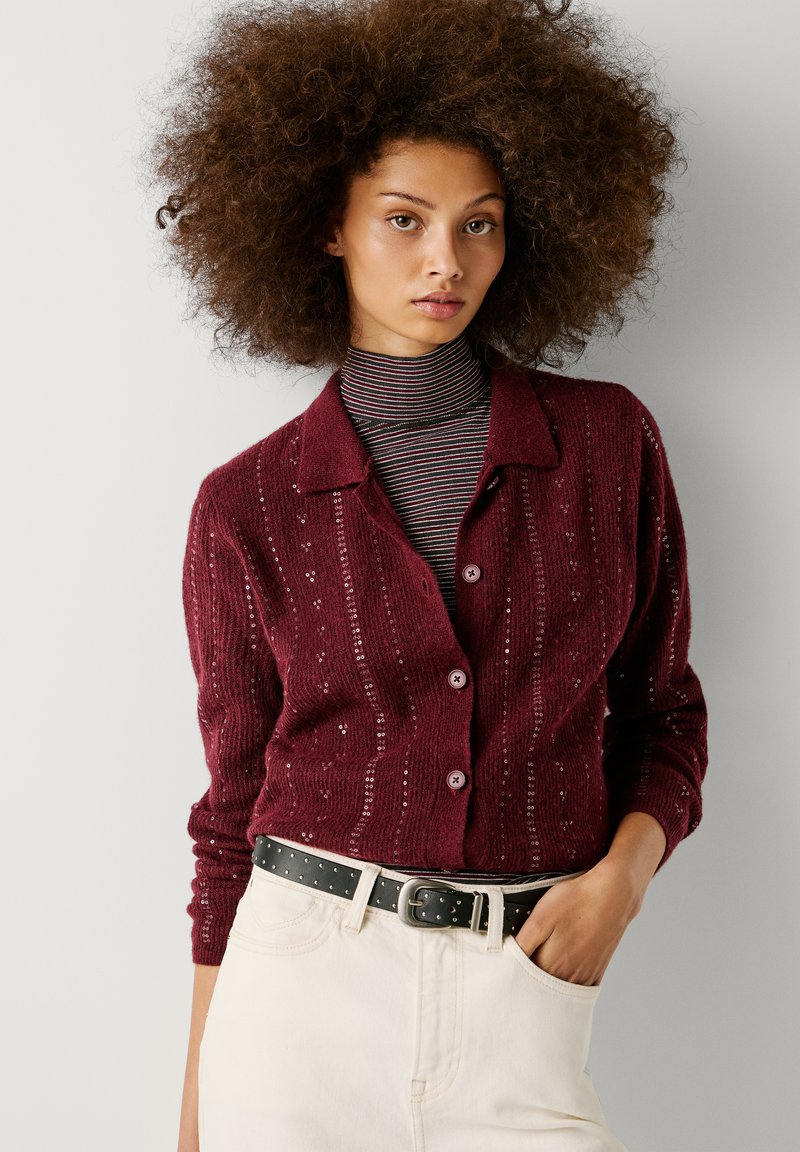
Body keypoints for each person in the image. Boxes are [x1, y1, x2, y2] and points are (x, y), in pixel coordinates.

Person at [146, 1, 708, 1148]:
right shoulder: (245, 505)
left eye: (479, 224)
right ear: (327, 226)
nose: (446, 261)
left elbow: (662, 713)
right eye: (403, 220)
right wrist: (197, 1110)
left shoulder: (607, 444)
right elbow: (230, 815)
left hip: (523, 999)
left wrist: (620, 881)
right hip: (296, 999)